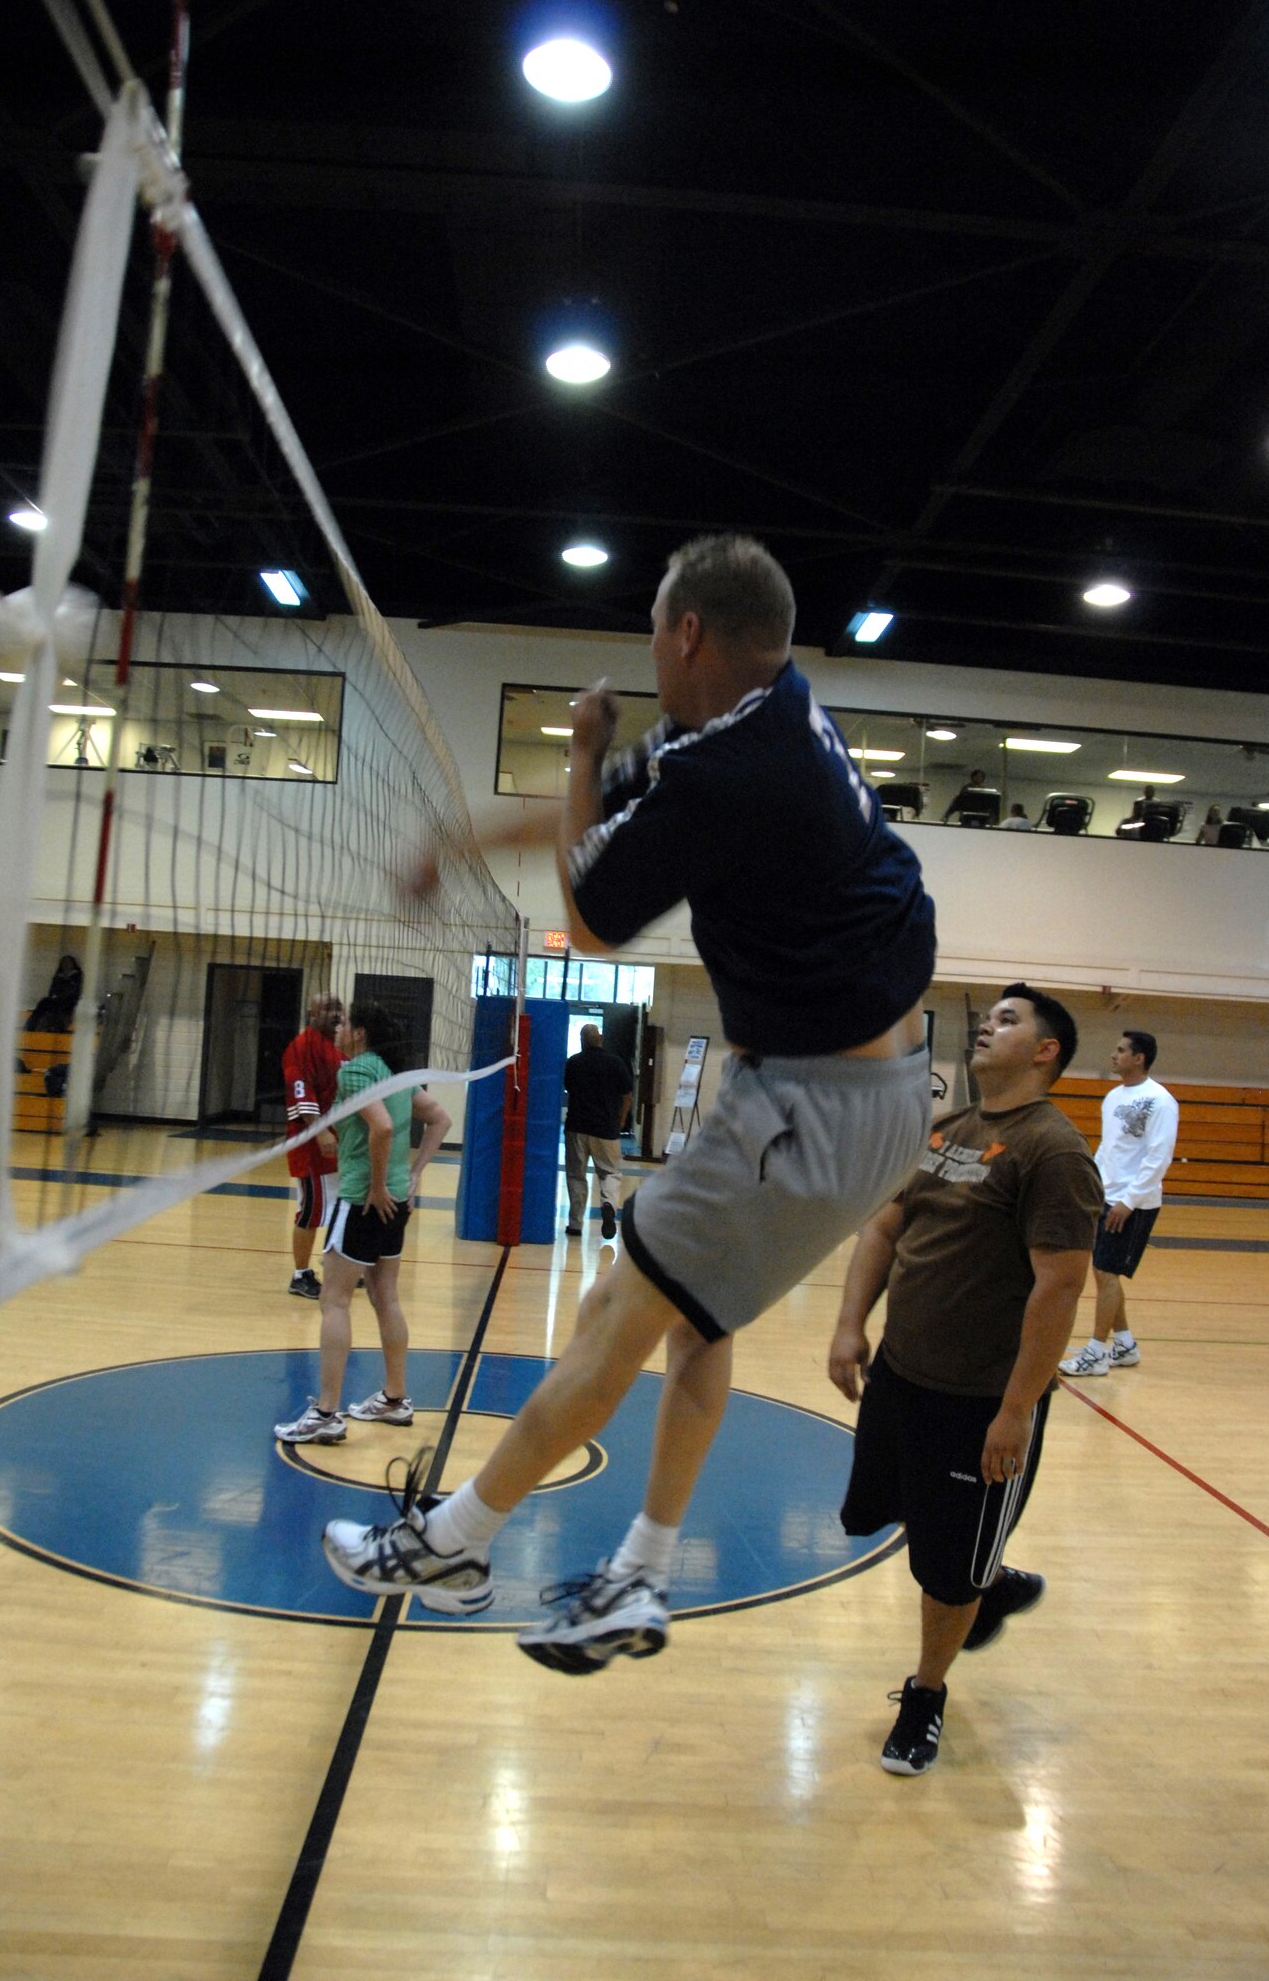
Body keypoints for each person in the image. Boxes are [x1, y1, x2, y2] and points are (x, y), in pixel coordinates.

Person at [321, 532, 937, 1656]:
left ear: (687, 631)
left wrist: (577, 751)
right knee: (690, 1323)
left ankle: (456, 1538)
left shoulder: (728, 769)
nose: (649, 649)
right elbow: (590, 820)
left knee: (614, 1314)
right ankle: (639, 1574)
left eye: (655, 626)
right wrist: (450, 843)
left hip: (813, 1101)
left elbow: (595, 907)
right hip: (855, 1094)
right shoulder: (767, 714)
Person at [830, 985, 1103, 1776]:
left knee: (945, 1574)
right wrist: (852, 1323)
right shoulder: (950, 1129)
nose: (989, 1024)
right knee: (888, 1515)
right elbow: (885, 1223)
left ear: (1046, 1051)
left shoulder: (1053, 1153)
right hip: (901, 1378)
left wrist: (1016, 1410)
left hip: (979, 1402)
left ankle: (925, 1695)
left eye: (1010, 1020)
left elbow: (1058, 1288)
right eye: (991, 1015)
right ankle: (990, 1578)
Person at [275, 1000, 451, 1443]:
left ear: (361, 1033)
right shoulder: (393, 1073)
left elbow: (384, 1128)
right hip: (398, 1199)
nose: (339, 1028)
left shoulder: (355, 1072)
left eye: (346, 1023)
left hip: (362, 1199)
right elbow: (440, 1119)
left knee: (334, 1300)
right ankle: (394, 1400)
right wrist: (412, 1174)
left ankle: (326, 1413)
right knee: (385, 1296)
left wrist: (373, 1186)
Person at [1059, 1029, 1178, 1378]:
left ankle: (1096, 1352)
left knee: (1106, 1272)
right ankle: (1123, 1344)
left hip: (1134, 1202)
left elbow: (1159, 1156)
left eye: (1121, 1050)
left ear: (1139, 1058)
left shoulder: (1160, 1100)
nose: (1114, 1055)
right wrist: (1093, 1185)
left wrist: (1129, 1200)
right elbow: (1109, 1149)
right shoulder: (1112, 1097)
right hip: (1106, 1195)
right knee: (1103, 1269)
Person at [281, 993, 344, 1299]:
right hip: (312, 1148)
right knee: (311, 1211)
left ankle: (336, 1266)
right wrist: (320, 1132)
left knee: (339, 1207)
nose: (335, 1014)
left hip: (338, 1147)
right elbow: (300, 1092)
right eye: (328, 1009)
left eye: (339, 1009)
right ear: (311, 1013)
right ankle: (300, 1275)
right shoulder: (302, 1047)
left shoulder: (335, 1049)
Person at [563, 1023, 633, 1240]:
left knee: (576, 1175)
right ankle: (609, 1206)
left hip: (577, 1127)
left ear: (582, 1041)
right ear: (600, 1039)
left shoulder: (573, 1062)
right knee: (610, 1172)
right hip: (606, 1128)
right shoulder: (616, 1063)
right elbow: (627, 1095)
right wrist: (621, 1120)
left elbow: (567, 1088)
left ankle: (575, 1224)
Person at [24, 952, 82, 1032]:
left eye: (68, 962)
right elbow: (52, 991)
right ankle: (30, 1026)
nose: (66, 964)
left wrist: (62, 992)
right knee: (44, 1002)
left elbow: (74, 991)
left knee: (56, 1010)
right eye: (64, 962)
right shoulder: (58, 976)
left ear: (73, 964)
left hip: (70, 1002)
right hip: (57, 1000)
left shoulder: (77, 976)